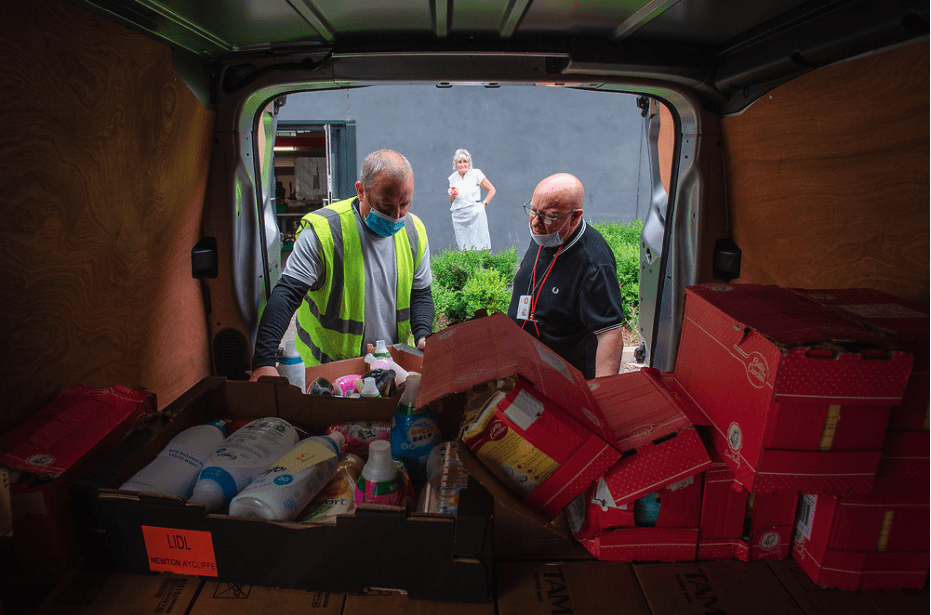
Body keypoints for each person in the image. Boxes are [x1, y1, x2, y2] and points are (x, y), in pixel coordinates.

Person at [250, 149, 434, 380]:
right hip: (325, 376)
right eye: (385, 206)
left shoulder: (414, 232)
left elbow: (421, 294)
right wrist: (264, 362)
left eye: (404, 205)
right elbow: (286, 296)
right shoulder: (324, 233)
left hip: (386, 370)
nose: (396, 216)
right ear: (361, 191)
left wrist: (422, 335)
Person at [506, 173, 625, 379]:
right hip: (526, 366)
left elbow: (609, 333)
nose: (535, 223)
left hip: (563, 378)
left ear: (575, 217)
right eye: (533, 211)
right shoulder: (546, 233)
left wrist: (603, 393)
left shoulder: (594, 263)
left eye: (548, 216)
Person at [447, 149, 496, 250]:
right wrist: (451, 194)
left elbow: (492, 190)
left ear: (469, 163)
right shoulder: (453, 178)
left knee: (479, 245)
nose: (462, 165)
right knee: (464, 247)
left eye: (465, 161)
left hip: (475, 213)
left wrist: (483, 205)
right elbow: (452, 200)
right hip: (459, 216)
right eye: (459, 162)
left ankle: (481, 265)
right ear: (455, 164)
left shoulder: (476, 174)